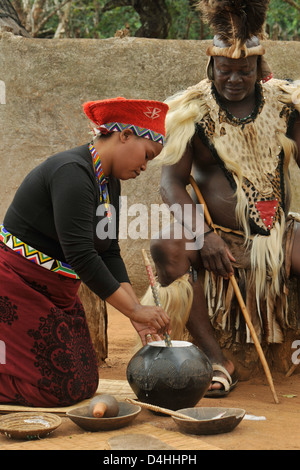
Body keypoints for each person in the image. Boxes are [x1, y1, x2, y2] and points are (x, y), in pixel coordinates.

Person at [144, 0, 300, 397]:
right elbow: (170, 184)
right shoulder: (191, 111)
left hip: (276, 232)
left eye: (244, 71)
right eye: (226, 70)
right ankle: (216, 359)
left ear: (260, 69)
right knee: (166, 246)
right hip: (216, 232)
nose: (234, 79)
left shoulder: (285, 106)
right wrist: (203, 235)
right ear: (211, 67)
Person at [0, 97, 170, 407]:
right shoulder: (72, 172)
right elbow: (81, 255)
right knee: (57, 389)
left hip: (56, 292)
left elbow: (109, 252)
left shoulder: (108, 183)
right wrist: (133, 310)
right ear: (124, 135)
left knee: (83, 382)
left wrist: (137, 314)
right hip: (16, 286)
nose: (145, 167)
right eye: (147, 155)